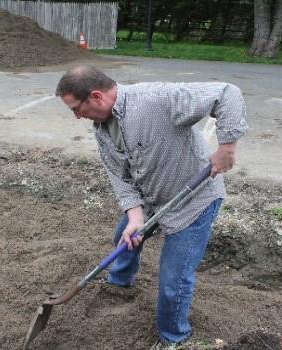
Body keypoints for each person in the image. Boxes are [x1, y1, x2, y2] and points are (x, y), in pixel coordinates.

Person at [55, 66, 247, 349]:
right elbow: (118, 175)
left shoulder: (156, 99)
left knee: (174, 281)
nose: (76, 116)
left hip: (192, 201)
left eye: (76, 108)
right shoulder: (102, 128)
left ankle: (174, 338)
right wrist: (134, 216)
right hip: (151, 196)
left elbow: (228, 93)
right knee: (125, 235)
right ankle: (119, 284)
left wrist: (226, 147)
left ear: (96, 96)